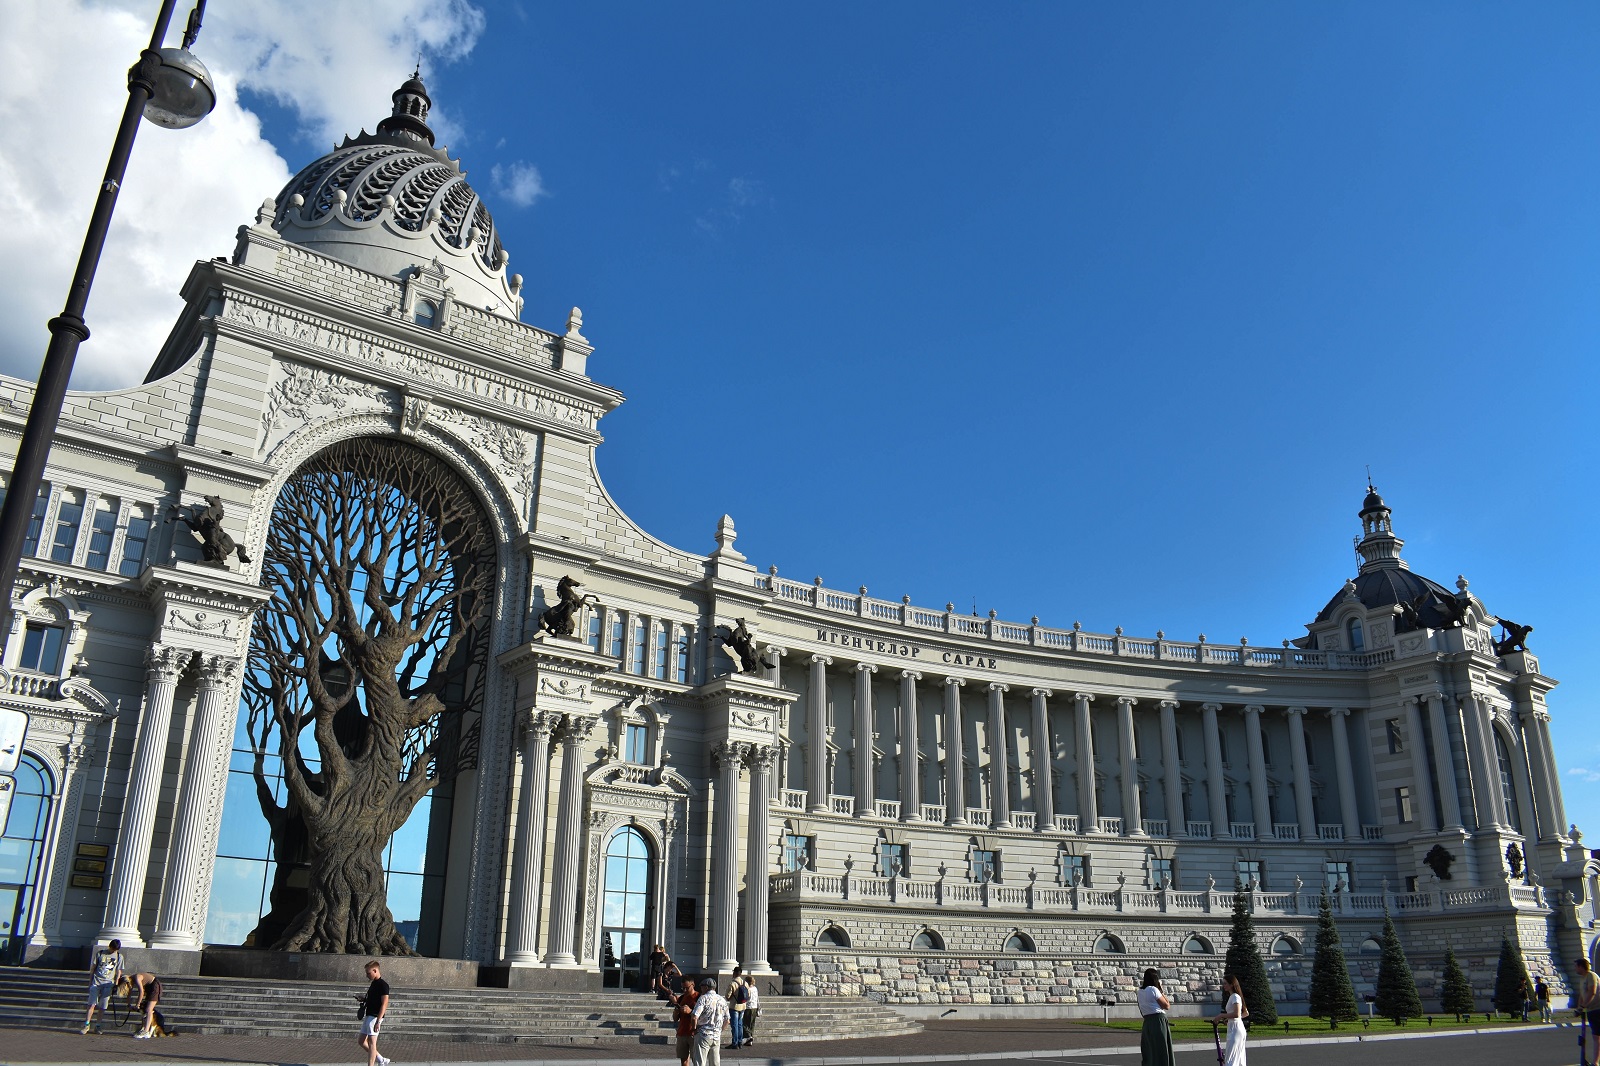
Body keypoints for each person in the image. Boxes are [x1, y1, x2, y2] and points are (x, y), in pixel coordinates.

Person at [82, 939, 123, 1034]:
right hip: (96, 982)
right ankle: (86, 1024)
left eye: (115, 950)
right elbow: (93, 968)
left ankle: (98, 1025)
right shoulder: (100, 953)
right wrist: (90, 981)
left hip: (108, 984)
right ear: (110, 946)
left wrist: (116, 984)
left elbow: (118, 971)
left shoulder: (119, 956)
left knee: (103, 1006)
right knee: (91, 1004)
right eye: (113, 949)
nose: (113, 951)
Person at [1137, 967, 1174, 1066]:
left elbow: (1141, 1008)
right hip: (1158, 1020)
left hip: (1147, 1022)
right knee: (1162, 1049)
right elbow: (1167, 1005)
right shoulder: (1154, 989)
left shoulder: (1139, 991)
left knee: (1149, 1050)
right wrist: (1161, 991)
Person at [359, 960, 392, 1066]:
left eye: (368, 973)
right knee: (361, 1041)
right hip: (369, 1014)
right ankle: (381, 1059)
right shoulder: (373, 984)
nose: (367, 975)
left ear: (375, 970)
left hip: (374, 1017)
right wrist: (363, 999)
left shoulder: (383, 985)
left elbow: (384, 1003)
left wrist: (378, 1021)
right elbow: (372, 999)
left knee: (372, 1043)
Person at [1212, 972, 1248, 1066]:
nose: (1224, 985)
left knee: (1232, 1058)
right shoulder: (1232, 997)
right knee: (1236, 1057)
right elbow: (1245, 1013)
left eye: (1225, 983)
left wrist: (1221, 1015)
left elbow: (1237, 1014)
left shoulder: (1235, 997)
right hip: (1234, 1027)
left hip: (1236, 1029)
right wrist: (1228, 1019)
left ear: (1231, 984)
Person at [691, 977, 728, 1066]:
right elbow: (727, 1020)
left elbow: (694, 1016)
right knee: (715, 1062)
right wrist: (720, 1030)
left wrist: (694, 1029)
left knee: (700, 1061)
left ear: (706, 987)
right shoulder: (722, 1000)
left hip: (703, 1033)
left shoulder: (703, 998)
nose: (701, 989)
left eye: (702, 987)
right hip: (716, 1035)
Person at [665, 969, 700, 1066]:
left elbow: (703, 1016)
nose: (684, 990)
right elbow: (675, 1018)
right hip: (682, 1032)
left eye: (686, 988)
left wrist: (690, 1012)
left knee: (696, 1060)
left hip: (693, 1033)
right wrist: (675, 1004)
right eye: (682, 988)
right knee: (683, 1060)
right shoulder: (681, 998)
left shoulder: (699, 998)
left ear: (693, 984)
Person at [117, 971, 163, 1038]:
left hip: (155, 986)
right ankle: (144, 1029)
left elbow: (141, 992)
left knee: (148, 1009)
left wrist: (137, 1004)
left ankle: (146, 1031)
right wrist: (128, 1005)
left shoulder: (137, 978)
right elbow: (129, 994)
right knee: (145, 1010)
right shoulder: (131, 981)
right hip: (149, 988)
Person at [1574, 956, 1599, 1064]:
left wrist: (1583, 1006)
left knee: (1597, 1036)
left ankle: (1595, 1062)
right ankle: (1595, 1062)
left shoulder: (1591, 976)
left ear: (1581, 967)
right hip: (1591, 1010)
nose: (1575, 969)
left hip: (1598, 1009)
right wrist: (1579, 1008)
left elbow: (1592, 992)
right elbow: (1582, 995)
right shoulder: (1582, 979)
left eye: (1576, 966)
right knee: (1596, 1036)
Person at [726, 966, 746, 1049]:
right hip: (743, 1006)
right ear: (740, 973)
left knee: (734, 1025)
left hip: (734, 1006)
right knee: (740, 1025)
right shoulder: (745, 983)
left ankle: (735, 1043)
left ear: (734, 973)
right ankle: (740, 1042)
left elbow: (727, 996)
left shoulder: (732, 983)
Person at [741, 974, 760, 1047]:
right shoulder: (755, 989)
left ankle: (749, 1036)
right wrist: (758, 1006)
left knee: (745, 1024)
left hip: (748, 1007)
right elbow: (757, 998)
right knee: (752, 1024)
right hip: (754, 1007)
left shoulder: (748, 989)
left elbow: (746, 999)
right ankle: (750, 1039)